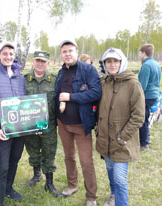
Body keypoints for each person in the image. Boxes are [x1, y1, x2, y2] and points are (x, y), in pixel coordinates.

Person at [96, 48, 145, 206]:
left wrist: (122, 137)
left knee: (120, 179)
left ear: (121, 62)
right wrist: (98, 129)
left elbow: (138, 116)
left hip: (122, 142)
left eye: (115, 61)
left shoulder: (133, 84)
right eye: (108, 61)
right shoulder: (104, 83)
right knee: (110, 170)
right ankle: (113, 196)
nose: (112, 64)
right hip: (105, 140)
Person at [55, 40, 102, 206]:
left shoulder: (88, 69)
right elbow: (57, 95)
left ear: (76, 52)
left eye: (70, 51)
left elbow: (97, 92)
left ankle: (91, 197)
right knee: (68, 157)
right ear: (61, 54)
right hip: (63, 123)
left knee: (86, 161)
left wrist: (72, 97)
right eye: (64, 51)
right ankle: (72, 185)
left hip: (81, 124)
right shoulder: (61, 71)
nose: (67, 54)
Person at [0, 42, 26, 206]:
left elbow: (25, 102)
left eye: (11, 53)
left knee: (14, 160)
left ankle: (8, 189)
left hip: (20, 129)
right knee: (1, 165)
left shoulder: (20, 76)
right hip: (3, 129)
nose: (8, 56)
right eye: (5, 53)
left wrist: (35, 124)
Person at [24, 51, 62, 197]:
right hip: (30, 125)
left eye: (43, 61)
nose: (40, 63)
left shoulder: (54, 79)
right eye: (37, 60)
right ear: (33, 62)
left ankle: (50, 182)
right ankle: (36, 174)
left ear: (48, 63)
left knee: (49, 153)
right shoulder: (25, 79)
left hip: (49, 125)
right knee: (33, 151)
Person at [138, 44, 161, 151]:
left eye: (139, 53)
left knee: (142, 119)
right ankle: (146, 138)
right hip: (154, 95)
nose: (139, 55)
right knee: (145, 117)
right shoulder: (156, 64)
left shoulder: (146, 65)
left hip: (146, 96)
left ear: (143, 53)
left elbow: (142, 85)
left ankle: (143, 143)